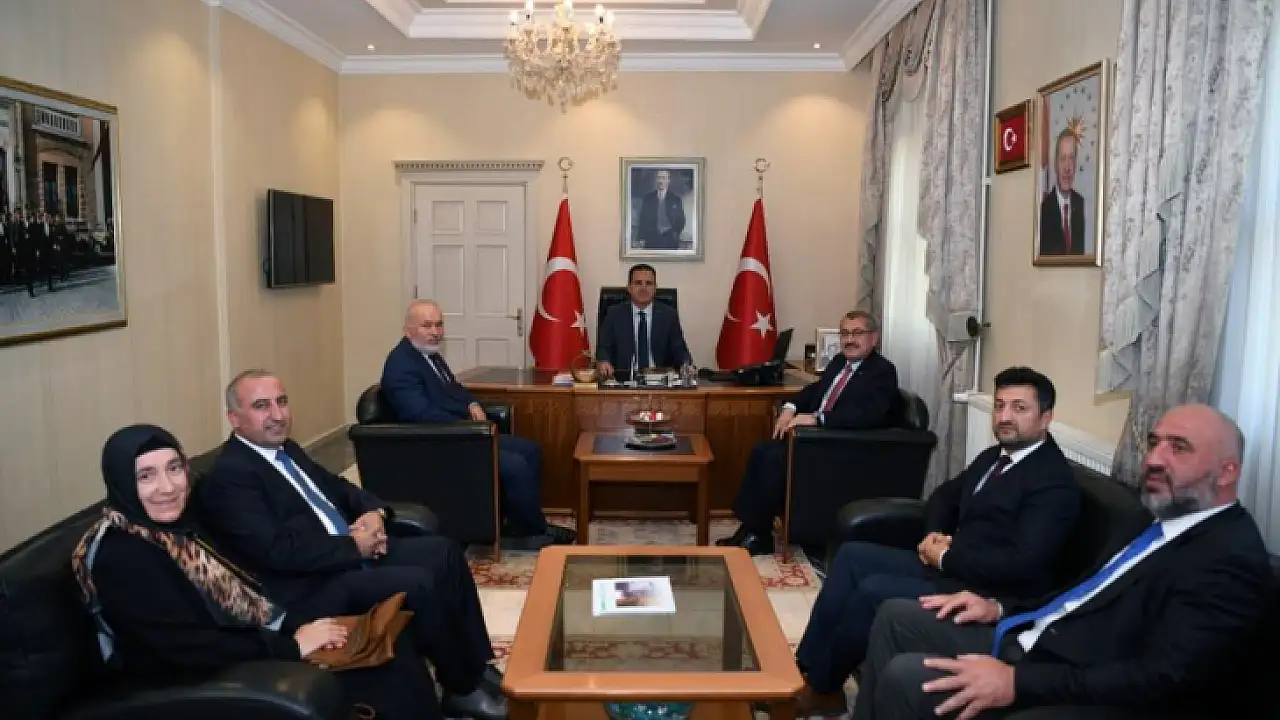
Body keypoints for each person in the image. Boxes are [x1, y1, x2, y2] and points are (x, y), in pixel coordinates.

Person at [854, 404, 1276, 720]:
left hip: (1067, 678)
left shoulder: (1227, 560)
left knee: (907, 677)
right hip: (1037, 638)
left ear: (1227, 472)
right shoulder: (1154, 521)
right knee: (896, 616)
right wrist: (999, 608)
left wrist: (1016, 681)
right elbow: (1082, 594)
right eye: (1153, 443)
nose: (1153, 459)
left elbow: (1164, 678)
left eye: (1178, 448)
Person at [70, 424, 441, 719]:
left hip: (233, 648)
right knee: (385, 672)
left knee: (387, 645)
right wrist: (291, 645)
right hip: (188, 682)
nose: (166, 488)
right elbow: (186, 648)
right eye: (146, 476)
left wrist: (297, 626)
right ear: (122, 483)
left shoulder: (176, 530)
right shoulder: (124, 555)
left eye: (174, 469)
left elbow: (243, 590)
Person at [199, 370, 508, 720]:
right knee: (419, 583)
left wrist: (374, 512)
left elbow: (340, 488)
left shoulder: (287, 450)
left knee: (444, 552)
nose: (277, 414)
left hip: (343, 555)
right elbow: (278, 551)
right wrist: (354, 547)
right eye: (261, 406)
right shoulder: (232, 476)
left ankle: (476, 663)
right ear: (234, 419)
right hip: (310, 584)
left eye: (281, 402)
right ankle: (462, 689)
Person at [790, 367, 1079, 715]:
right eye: (1000, 405)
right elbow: (944, 496)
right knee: (853, 556)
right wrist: (934, 535)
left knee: (872, 592)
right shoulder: (996, 457)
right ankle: (805, 668)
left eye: (1019, 408)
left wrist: (945, 558)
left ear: (1046, 417)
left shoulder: (1053, 483)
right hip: (951, 564)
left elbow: (1023, 564)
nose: (1005, 417)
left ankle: (824, 688)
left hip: (979, 590)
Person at [380, 299, 574, 549]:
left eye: (439, 325)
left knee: (530, 449)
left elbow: (455, 389)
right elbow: (420, 415)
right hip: (437, 443)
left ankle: (519, 524)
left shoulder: (429, 356)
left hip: (461, 434)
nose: (435, 332)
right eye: (427, 326)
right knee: (515, 465)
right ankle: (532, 533)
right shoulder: (401, 366)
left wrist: (472, 404)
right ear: (408, 330)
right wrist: (468, 428)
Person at [717, 310, 900, 556]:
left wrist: (817, 418)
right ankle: (752, 528)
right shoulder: (840, 362)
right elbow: (816, 390)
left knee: (773, 458)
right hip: (815, 441)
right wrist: (790, 408)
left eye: (857, 333)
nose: (849, 340)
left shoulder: (882, 372)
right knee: (762, 450)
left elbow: (869, 415)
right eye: (845, 333)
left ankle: (757, 535)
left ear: (874, 338)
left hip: (841, 448)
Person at [596, 264, 692, 377]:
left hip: (660, 379)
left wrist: (686, 365)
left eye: (649, 283)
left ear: (655, 288)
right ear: (629, 288)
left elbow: (679, 349)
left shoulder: (669, 315)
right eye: (638, 283)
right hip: (624, 379)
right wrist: (604, 361)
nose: (643, 288)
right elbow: (604, 347)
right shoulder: (614, 314)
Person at [1038, 129, 1086, 255]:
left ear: (1076, 164)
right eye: (1063, 159)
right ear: (1055, 165)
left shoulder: (1080, 203)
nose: (1067, 167)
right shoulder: (1044, 209)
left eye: (1071, 158)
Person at [634, 169, 686, 249]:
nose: (661, 181)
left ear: (668, 181)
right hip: (651, 239)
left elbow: (681, 220)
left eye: (664, 178)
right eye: (659, 178)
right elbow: (642, 219)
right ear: (656, 180)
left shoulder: (675, 199)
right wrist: (641, 238)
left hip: (669, 240)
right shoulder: (648, 198)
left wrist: (675, 234)